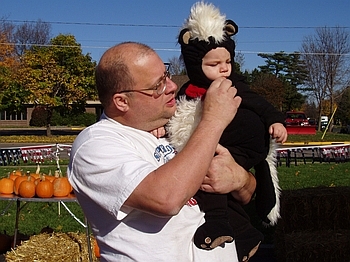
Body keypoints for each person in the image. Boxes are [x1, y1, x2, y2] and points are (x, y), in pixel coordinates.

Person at [67, 41, 257, 262]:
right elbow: (166, 199)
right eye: (157, 85)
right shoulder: (95, 144)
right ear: (121, 101)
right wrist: (214, 120)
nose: (172, 86)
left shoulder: (178, 130)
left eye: (166, 74)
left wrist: (241, 180)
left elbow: (246, 195)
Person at [166, 2, 288, 261]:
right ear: (195, 64)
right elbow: (177, 113)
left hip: (244, 139)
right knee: (211, 177)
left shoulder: (231, 86)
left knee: (206, 174)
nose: (223, 68)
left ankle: (218, 222)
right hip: (226, 143)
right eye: (214, 64)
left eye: (227, 61)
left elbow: (258, 102)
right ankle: (244, 234)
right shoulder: (188, 91)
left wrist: (275, 120)